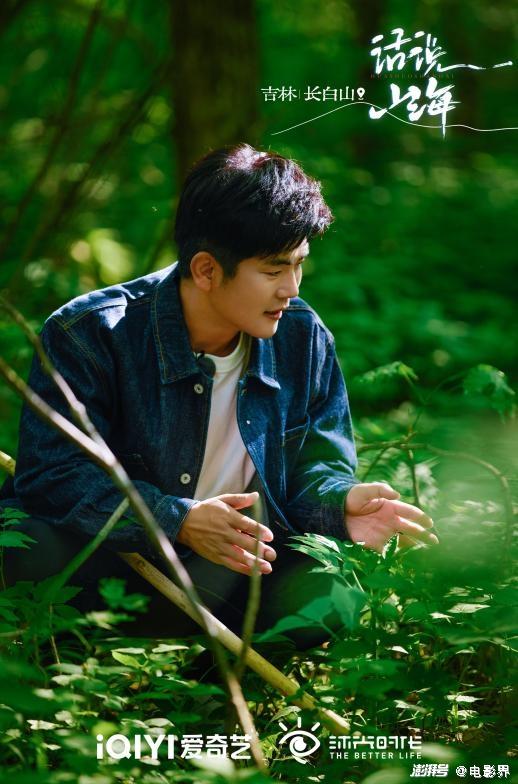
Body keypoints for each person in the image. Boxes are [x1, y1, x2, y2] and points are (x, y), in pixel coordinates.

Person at [0, 144, 437, 646]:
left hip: (234, 572)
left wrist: (340, 504)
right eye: (273, 270)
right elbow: (52, 476)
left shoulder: (303, 338)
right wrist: (178, 519)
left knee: (332, 594)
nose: (291, 289)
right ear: (206, 270)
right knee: (28, 544)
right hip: (116, 563)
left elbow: (313, 468)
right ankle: (66, 664)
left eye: (299, 265)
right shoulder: (92, 332)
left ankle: (215, 681)